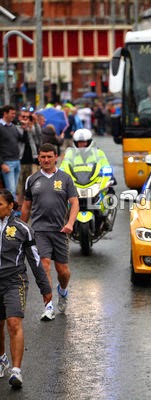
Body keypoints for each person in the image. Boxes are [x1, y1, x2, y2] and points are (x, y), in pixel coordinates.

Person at [20, 143, 79, 321]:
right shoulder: (32, 179)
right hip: (39, 231)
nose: (46, 160)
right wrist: (21, 229)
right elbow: (26, 206)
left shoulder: (66, 178)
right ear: (39, 158)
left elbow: (75, 203)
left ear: (56, 157)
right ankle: (48, 306)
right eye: (43, 157)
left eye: (49, 156)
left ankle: (63, 290)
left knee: (63, 271)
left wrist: (70, 223)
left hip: (60, 230)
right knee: (44, 265)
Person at [0, 189, 52, 388]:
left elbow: (35, 260)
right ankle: (2, 358)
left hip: (15, 280)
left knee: (13, 323)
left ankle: (16, 371)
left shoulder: (23, 229)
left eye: (0, 204)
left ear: (11, 206)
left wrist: (45, 288)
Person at [0, 105, 23, 198]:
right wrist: (2, 164)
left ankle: (11, 209)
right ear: (5, 113)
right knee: (11, 190)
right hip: (7, 162)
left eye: (14, 113)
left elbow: (22, 139)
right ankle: (11, 211)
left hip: (17, 161)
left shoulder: (13, 126)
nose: (14, 115)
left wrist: (25, 129)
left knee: (14, 189)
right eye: (12, 113)